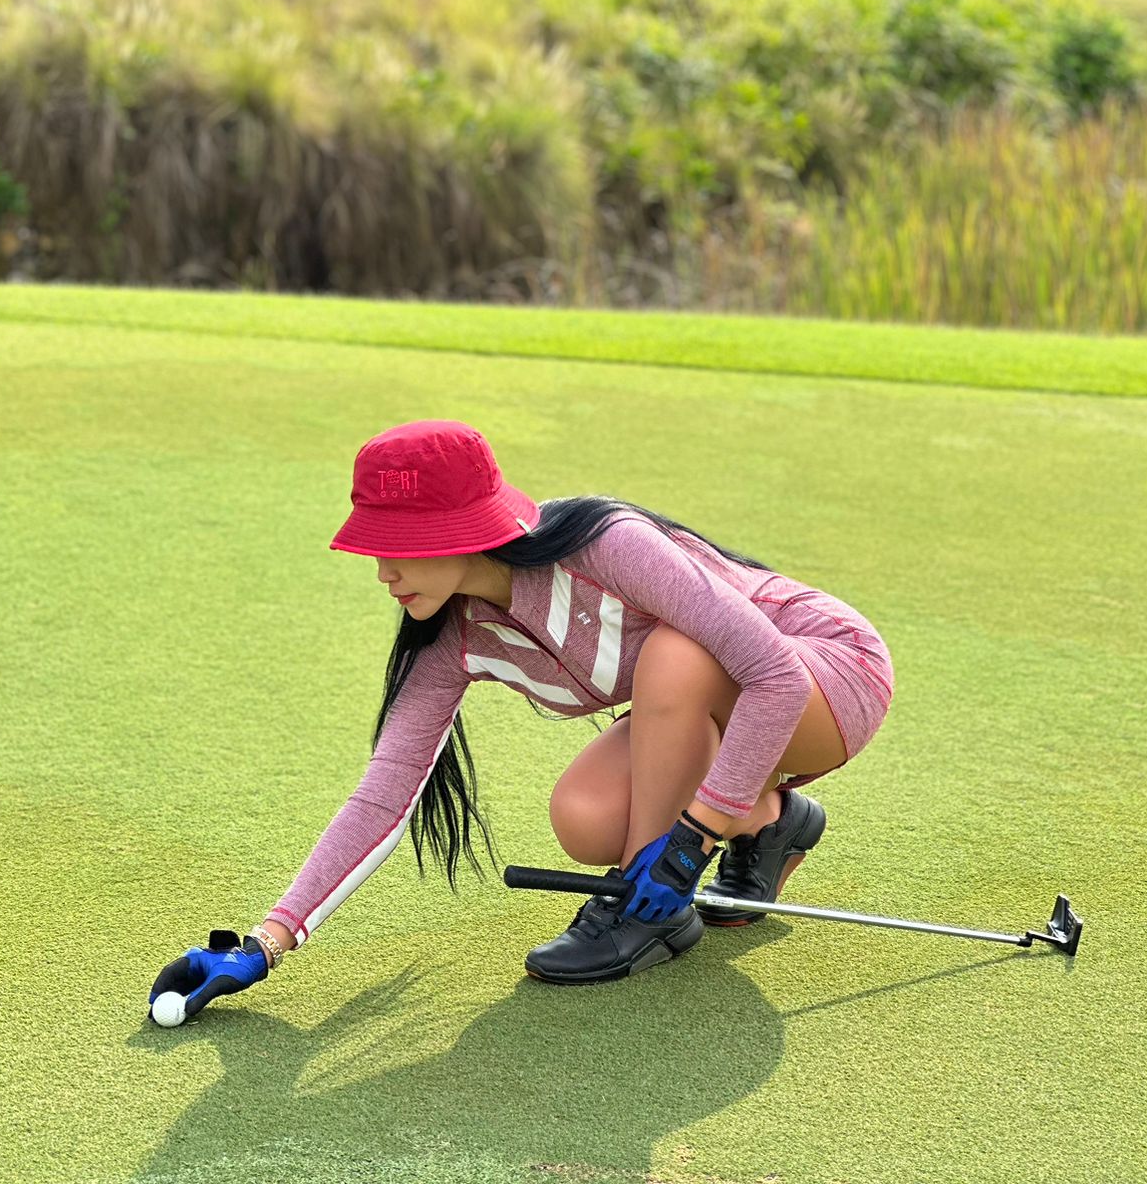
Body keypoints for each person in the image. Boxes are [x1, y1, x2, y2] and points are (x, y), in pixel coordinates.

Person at [148, 418, 894, 1014]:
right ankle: (768, 821)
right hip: (727, 716)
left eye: (396, 545)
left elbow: (770, 674)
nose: (382, 571)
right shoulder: (454, 633)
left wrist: (686, 845)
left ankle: (653, 913)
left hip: (823, 674)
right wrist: (265, 942)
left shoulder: (607, 545)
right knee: (584, 816)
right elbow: (387, 792)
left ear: (460, 530)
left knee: (672, 653)